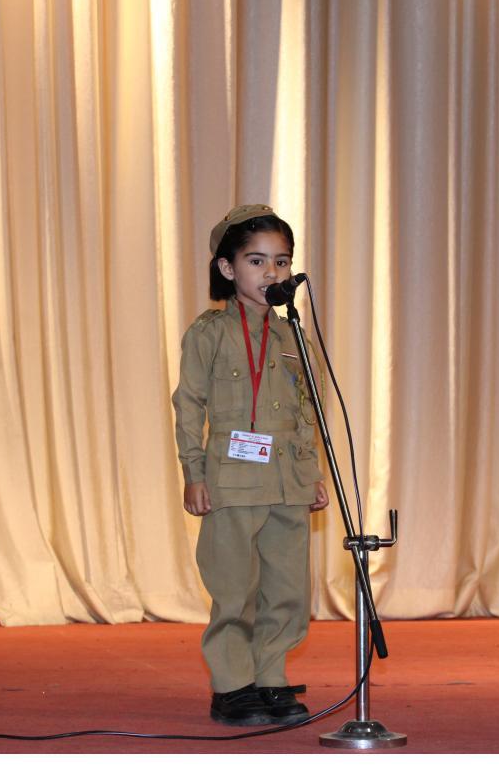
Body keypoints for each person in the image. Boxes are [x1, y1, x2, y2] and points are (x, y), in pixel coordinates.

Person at [172, 204, 329, 725]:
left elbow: (308, 410)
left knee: (286, 588)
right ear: (227, 268)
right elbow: (189, 405)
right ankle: (232, 685)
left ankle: (271, 676)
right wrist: (193, 473)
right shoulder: (210, 333)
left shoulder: (294, 337)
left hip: (286, 480)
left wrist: (313, 473)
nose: (271, 273)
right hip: (232, 483)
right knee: (235, 588)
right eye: (256, 261)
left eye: (281, 262)